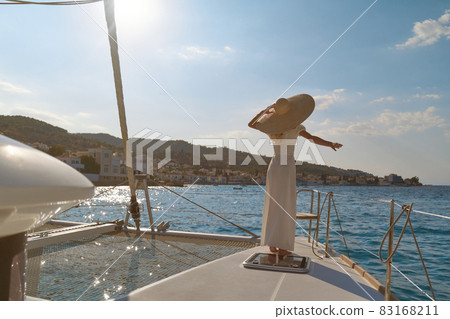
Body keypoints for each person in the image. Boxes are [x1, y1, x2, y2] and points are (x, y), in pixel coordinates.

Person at [249, 98, 342, 255]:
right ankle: (282, 246)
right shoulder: (295, 126)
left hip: (275, 165)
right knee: (286, 203)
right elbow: (313, 139)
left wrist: (265, 110)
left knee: (274, 203)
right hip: (286, 166)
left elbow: (251, 124)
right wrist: (330, 143)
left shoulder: (272, 127)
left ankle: (272, 244)